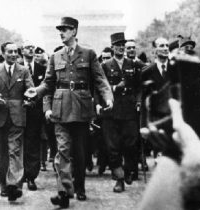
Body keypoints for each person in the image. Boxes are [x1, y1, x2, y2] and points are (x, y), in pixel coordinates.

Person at [26, 17, 113, 208]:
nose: (61, 33)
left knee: (80, 152)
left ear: (74, 31)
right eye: (60, 30)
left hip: (81, 108)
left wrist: (108, 97)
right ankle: (64, 192)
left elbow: (100, 79)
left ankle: (80, 187)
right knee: (62, 151)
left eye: (64, 30)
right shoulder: (55, 56)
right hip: (61, 108)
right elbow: (48, 83)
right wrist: (37, 92)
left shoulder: (89, 54)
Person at [0, 42, 34, 202]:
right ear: (3, 52)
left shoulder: (24, 70)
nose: (13, 54)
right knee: (2, 154)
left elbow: (30, 88)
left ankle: (14, 185)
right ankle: (4, 186)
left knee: (15, 151)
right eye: (10, 52)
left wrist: (29, 99)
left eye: (16, 52)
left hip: (17, 115)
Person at [101, 33, 142, 193]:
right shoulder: (105, 66)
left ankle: (129, 169)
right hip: (111, 111)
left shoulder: (134, 64)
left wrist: (138, 101)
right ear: (112, 47)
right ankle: (119, 178)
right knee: (113, 147)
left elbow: (139, 87)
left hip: (129, 110)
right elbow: (101, 87)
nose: (121, 47)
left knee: (131, 143)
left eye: (122, 44)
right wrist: (114, 89)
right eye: (117, 44)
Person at [21, 44, 47, 191]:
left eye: (32, 47)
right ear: (22, 50)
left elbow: (46, 88)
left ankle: (31, 176)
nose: (30, 50)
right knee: (19, 142)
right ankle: (20, 173)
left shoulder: (42, 69)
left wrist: (34, 101)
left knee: (33, 143)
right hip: (19, 110)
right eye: (27, 47)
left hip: (35, 112)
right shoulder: (16, 67)